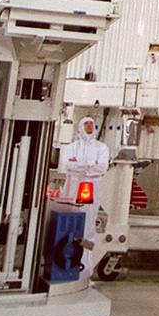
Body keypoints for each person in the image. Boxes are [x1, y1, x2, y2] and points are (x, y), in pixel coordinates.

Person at [59, 116, 110, 271]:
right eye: (86, 124)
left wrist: (79, 166)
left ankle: (85, 267)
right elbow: (67, 164)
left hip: (90, 189)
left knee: (88, 226)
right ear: (80, 126)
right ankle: (66, 262)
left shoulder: (101, 148)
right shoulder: (71, 147)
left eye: (91, 124)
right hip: (72, 189)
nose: (89, 126)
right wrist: (89, 165)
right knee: (69, 223)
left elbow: (101, 167)